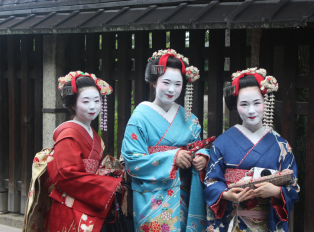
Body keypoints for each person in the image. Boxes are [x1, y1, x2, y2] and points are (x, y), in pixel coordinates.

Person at [121, 49, 212, 232]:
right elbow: (131, 160)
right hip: (152, 196)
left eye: (178, 84)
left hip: (184, 193)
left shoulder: (190, 119)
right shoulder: (139, 117)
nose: (172, 89)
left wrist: (202, 156)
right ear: (154, 82)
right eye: (166, 82)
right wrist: (172, 158)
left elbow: (197, 147)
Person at [23, 71, 122, 232]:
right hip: (69, 207)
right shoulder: (68, 135)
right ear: (73, 105)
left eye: (97, 101)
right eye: (86, 101)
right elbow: (66, 175)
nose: (93, 106)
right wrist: (107, 185)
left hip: (89, 200)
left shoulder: (93, 135)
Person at [203, 68, 300, 232]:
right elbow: (210, 181)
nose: (251, 110)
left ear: (265, 102)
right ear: (235, 105)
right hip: (232, 220)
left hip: (267, 222)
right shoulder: (222, 142)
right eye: (244, 104)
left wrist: (276, 191)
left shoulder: (281, 145)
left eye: (257, 103)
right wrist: (227, 194)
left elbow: (294, 185)